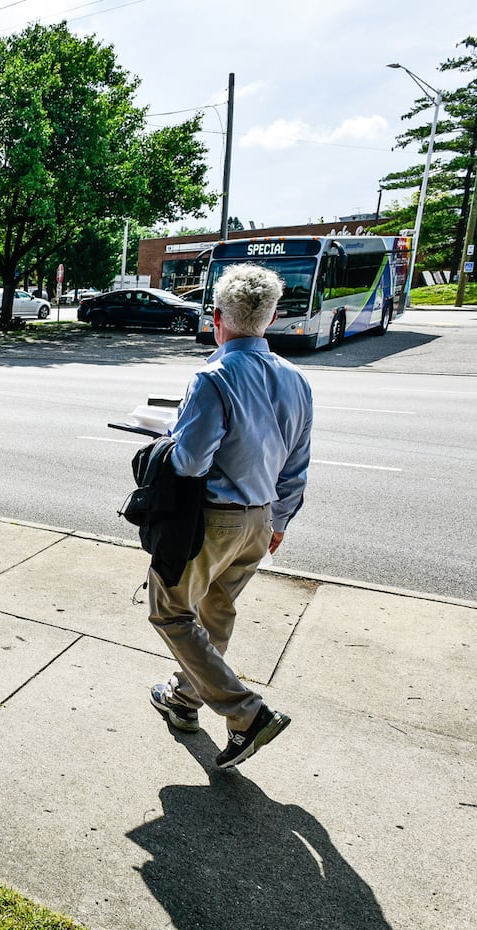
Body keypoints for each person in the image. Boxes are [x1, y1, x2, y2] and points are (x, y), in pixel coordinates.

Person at [148, 262, 313, 768]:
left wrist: (165, 439)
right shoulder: (296, 379)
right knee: (217, 612)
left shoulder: (213, 376)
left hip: (213, 518)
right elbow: (297, 462)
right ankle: (183, 698)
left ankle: (245, 712)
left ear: (216, 317)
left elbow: (191, 460)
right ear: (272, 316)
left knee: (171, 610)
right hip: (261, 519)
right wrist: (279, 521)